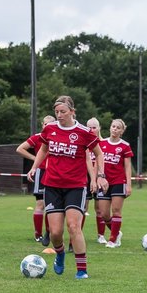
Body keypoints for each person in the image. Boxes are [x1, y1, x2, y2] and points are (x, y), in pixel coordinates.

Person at [27, 96, 105, 279]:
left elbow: (98, 154)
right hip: (52, 185)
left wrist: (99, 176)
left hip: (76, 186)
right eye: (56, 112)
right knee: (55, 233)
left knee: (73, 226)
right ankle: (60, 254)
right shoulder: (50, 129)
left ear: (72, 111)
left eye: (63, 112)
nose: (59, 115)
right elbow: (43, 150)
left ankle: (81, 270)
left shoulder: (84, 132)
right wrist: (34, 168)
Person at [16, 115, 57, 246]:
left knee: (51, 205)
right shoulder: (38, 137)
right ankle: (38, 234)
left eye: (50, 124)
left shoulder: (58, 136)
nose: (48, 127)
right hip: (41, 172)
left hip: (55, 172)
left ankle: (48, 233)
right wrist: (35, 159)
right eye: (46, 124)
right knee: (41, 203)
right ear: (42, 125)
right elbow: (20, 149)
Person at [96, 118, 135, 247]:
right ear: (110, 128)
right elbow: (97, 162)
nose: (115, 129)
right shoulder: (102, 144)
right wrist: (96, 179)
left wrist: (128, 185)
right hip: (104, 182)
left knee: (116, 210)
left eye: (118, 128)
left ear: (122, 131)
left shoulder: (125, 146)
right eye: (113, 126)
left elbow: (127, 167)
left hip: (119, 181)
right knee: (104, 214)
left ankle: (112, 240)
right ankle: (117, 232)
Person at [86, 117, 106, 241]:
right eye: (89, 127)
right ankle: (77, 235)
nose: (92, 130)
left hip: (99, 177)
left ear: (99, 128)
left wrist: (100, 175)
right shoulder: (84, 143)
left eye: (94, 127)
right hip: (85, 177)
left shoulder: (104, 144)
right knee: (82, 208)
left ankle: (101, 235)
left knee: (99, 209)